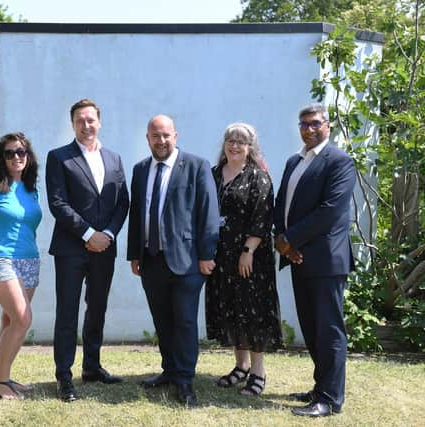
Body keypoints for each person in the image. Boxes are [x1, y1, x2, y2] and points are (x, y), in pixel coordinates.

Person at [127, 114, 220, 406]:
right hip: (151, 260)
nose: (161, 140)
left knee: (185, 322)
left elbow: (209, 213)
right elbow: (137, 213)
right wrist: (134, 254)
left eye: (166, 135)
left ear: (176, 136)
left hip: (188, 262)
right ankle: (169, 371)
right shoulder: (141, 169)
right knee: (163, 320)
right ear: (147, 138)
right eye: (156, 135)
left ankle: (184, 380)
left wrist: (207, 254)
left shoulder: (196, 166)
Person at [273, 103, 356, 417]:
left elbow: (330, 211)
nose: (308, 129)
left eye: (314, 124)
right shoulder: (295, 160)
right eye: (303, 124)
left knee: (328, 330)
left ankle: (330, 399)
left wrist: (289, 239)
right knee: (310, 327)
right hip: (298, 258)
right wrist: (283, 240)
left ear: (328, 125)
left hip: (325, 260)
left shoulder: (339, 161)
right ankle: (320, 387)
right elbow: (282, 203)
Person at [45, 99, 129, 402]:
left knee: (97, 309)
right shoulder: (59, 158)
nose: (86, 125)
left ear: (100, 122)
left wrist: (106, 234)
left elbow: (123, 203)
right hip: (71, 248)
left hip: (104, 248)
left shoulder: (114, 159)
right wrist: (87, 233)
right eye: (80, 120)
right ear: (73, 124)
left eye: (91, 119)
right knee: (67, 313)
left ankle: (92, 367)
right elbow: (58, 203)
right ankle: (64, 377)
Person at [205, 123, 283, 397]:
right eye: (230, 140)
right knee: (231, 309)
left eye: (241, 141)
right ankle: (240, 366)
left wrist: (247, 250)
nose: (235, 145)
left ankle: (258, 371)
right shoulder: (213, 175)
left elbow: (262, 216)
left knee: (252, 312)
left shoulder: (258, 177)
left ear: (250, 147)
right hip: (221, 257)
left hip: (249, 257)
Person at [0, 132, 42, 400]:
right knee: (23, 319)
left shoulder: (30, 188)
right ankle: (1, 381)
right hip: (1, 259)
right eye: (10, 153)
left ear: (28, 157)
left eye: (21, 152)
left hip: (30, 259)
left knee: (10, 319)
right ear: (2, 158)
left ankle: (5, 377)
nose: (16, 157)